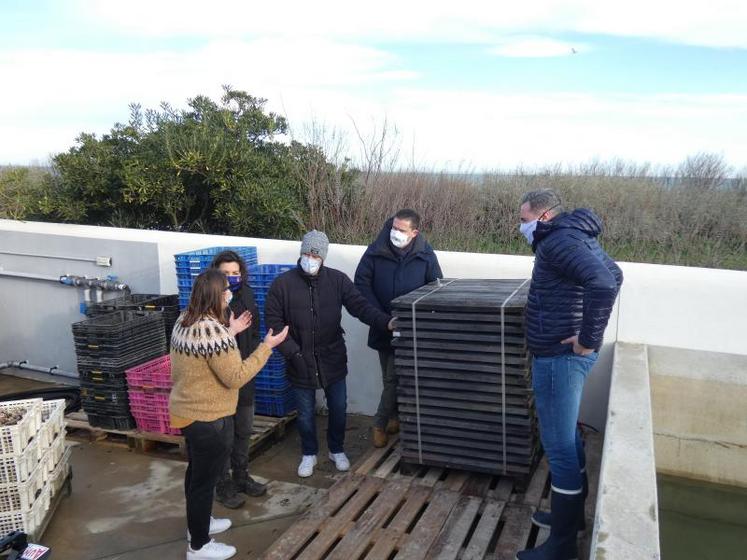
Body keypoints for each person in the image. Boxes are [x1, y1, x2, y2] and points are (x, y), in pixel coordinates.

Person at [515, 189, 623, 560]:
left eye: (525, 219)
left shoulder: (558, 241)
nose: (522, 226)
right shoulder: (576, 235)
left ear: (543, 216)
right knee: (569, 442)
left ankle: (560, 549)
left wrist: (588, 340)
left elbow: (605, 283)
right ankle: (572, 520)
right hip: (564, 356)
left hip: (559, 359)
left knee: (558, 449)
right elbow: (615, 272)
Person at [169, 269, 288, 560]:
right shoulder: (214, 332)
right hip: (208, 419)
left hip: (186, 412)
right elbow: (236, 376)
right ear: (216, 295)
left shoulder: (184, 320)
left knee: (195, 472)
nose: (229, 294)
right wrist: (266, 347)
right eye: (226, 290)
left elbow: (202, 355)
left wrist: (230, 332)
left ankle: (197, 525)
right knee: (203, 482)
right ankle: (198, 546)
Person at [264, 230, 395, 478]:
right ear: (301, 252)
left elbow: (360, 307)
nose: (310, 257)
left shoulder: (337, 281)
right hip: (299, 360)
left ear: (323, 256)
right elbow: (274, 322)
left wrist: (385, 322)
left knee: (338, 407)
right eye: (307, 252)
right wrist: (294, 353)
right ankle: (309, 453)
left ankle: (336, 449)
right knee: (304, 413)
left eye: (316, 253)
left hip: (332, 357)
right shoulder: (282, 285)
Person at [354, 209, 443, 447]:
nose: (395, 233)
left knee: (395, 379)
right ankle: (390, 419)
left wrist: (417, 320)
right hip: (382, 325)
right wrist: (381, 318)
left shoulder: (425, 255)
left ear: (414, 233)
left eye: (401, 230)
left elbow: (436, 287)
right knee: (390, 379)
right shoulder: (375, 251)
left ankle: (382, 422)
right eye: (394, 227)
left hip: (410, 330)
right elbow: (361, 285)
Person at [209, 251, 267, 509]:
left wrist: (250, 359)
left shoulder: (249, 295)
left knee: (244, 429)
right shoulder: (209, 303)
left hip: (244, 374)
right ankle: (222, 485)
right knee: (224, 436)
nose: (231, 278)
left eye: (235, 273)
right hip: (220, 379)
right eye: (225, 273)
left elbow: (255, 332)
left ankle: (241, 476)